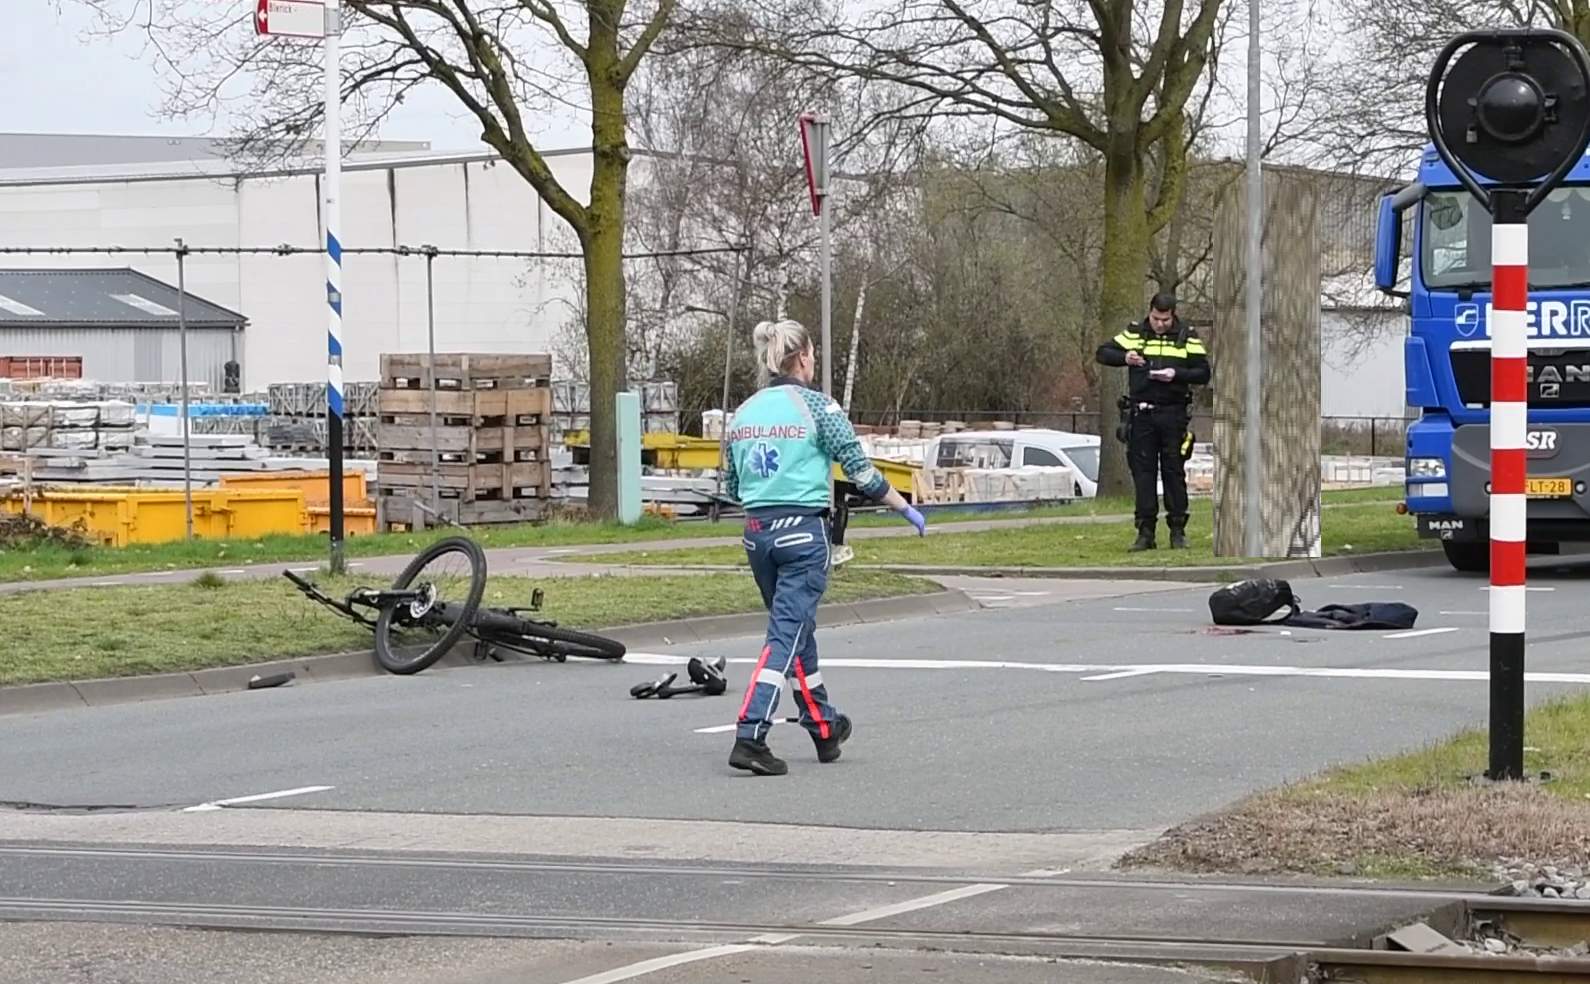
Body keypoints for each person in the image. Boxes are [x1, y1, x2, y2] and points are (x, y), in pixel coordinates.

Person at [721, 318, 926, 776]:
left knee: (796, 632)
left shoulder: (745, 413)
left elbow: (733, 483)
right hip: (803, 536)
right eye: (812, 356)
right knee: (784, 637)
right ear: (803, 358)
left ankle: (822, 725)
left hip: (757, 534)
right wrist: (904, 508)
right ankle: (750, 734)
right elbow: (862, 472)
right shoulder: (819, 408)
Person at [1095, 292, 1211, 551]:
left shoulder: (1186, 336)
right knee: (1143, 475)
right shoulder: (1136, 333)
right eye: (1156, 318)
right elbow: (1103, 353)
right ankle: (1145, 532)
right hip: (1142, 415)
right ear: (1150, 312)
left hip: (1173, 414)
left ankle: (1178, 530)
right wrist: (1125, 358)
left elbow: (1203, 372)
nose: (1160, 324)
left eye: (1165, 319)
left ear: (1173, 315)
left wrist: (1176, 374)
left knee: (1173, 473)